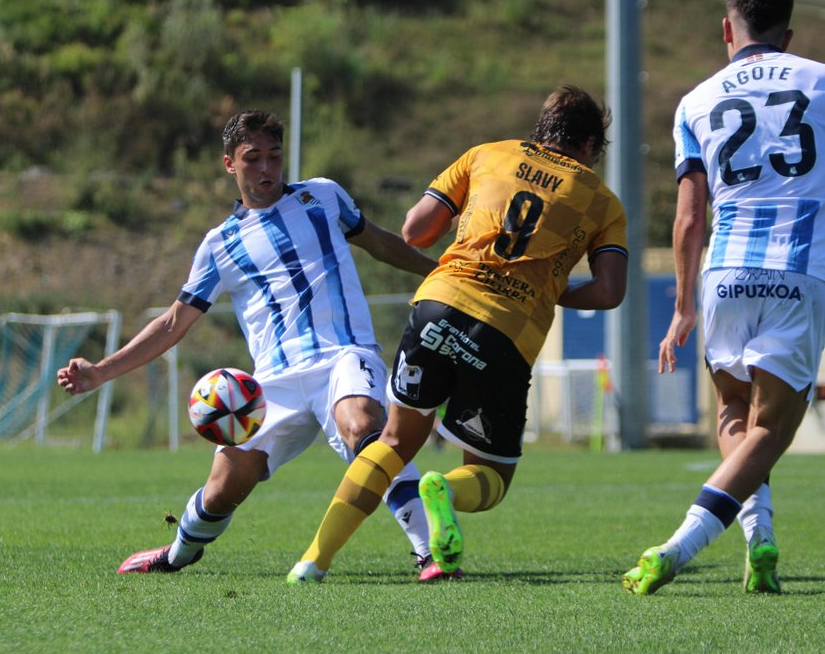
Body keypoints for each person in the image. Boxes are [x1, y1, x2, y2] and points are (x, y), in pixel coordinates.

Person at [57, 109, 453, 581]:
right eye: (253, 159)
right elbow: (171, 324)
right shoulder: (219, 245)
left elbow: (383, 244)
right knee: (224, 487)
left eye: (274, 156)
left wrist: (442, 275)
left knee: (364, 426)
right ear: (230, 164)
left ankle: (431, 553)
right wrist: (100, 371)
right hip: (272, 386)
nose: (266, 169)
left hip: (343, 355)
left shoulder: (322, 196)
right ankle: (178, 554)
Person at [286, 85, 629, 583]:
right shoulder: (602, 201)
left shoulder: (486, 154)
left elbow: (416, 231)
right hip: (508, 332)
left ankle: (313, 561)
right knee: (492, 476)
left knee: (394, 441)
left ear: (542, 129)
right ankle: (444, 490)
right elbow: (608, 291)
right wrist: (546, 286)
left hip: (439, 305)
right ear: (591, 146)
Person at [623, 0, 825, 595]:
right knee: (773, 429)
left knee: (733, 410)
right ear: (788, 34)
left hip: (723, 272)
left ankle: (759, 539)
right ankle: (679, 546)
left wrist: (683, 306)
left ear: (725, 30)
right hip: (798, 267)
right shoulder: (820, 80)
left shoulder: (696, 99)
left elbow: (688, 218)